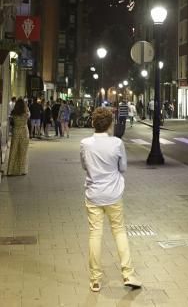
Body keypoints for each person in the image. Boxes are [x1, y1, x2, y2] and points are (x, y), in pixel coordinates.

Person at [80, 107, 141, 293]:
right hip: (114, 194)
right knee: (119, 232)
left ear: (93, 123)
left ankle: (95, 279)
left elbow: (84, 166)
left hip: (94, 195)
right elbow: (122, 167)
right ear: (109, 124)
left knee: (95, 234)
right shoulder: (116, 143)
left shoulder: (85, 143)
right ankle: (128, 274)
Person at [7, 98, 30, 176]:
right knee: (23, 152)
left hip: (16, 132)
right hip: (24, 132)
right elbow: (29, 115)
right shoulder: (26, 113)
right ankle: (22, 170)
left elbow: (10, 120)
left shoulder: (14, 113)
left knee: (13, 151)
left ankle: (11, 170)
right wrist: (26, 107)